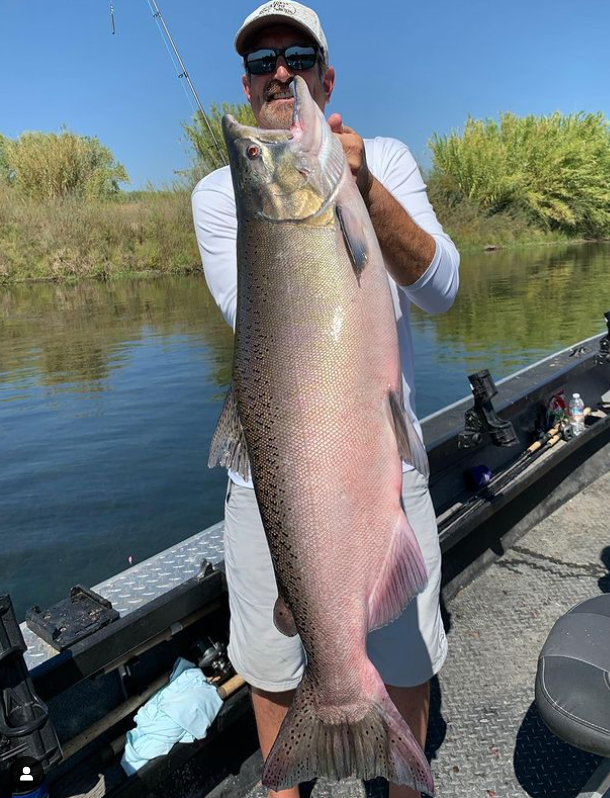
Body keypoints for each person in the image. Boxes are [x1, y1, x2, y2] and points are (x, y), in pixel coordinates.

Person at [191, 3, 460, 797]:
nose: (280, 71)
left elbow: (443, 289)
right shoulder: (221, 192)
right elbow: (260, 318)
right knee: (274, 673)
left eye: (297, 55)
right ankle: (291, 776)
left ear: (325, 76)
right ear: (244, 86)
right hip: (271, 482)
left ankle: (400, 773)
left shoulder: (385, 162)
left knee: (406, 666)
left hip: (383, 462)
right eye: (261, 61)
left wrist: (363, 189)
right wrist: (311, 186)